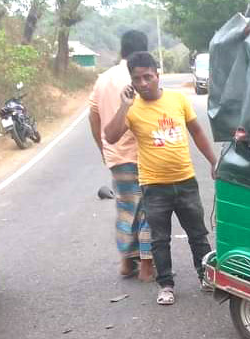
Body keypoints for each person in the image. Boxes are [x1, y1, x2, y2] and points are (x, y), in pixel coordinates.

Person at [104, 52, 218, 306]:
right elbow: (110, 137)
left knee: (198, 234)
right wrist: (123, 104)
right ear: (131, 82)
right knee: (159, 239)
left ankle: (206, 276)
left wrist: (213, 161)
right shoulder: (132, 110)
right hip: (154, 187)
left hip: (186, 181)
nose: (144, 83)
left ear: (158, 75)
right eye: (137, 79)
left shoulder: (178, 99)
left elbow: (197, 131)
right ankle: (166, 285)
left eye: (148, 77)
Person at [88, 30, 153, 282]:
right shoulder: (140, 77)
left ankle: (126, 262)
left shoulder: (102, 79)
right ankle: (147, 267)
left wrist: (102, 148)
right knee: (148, 209)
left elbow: (93, 116)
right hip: (141, 154)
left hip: (115, 155)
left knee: (126, 208)